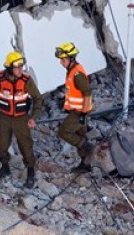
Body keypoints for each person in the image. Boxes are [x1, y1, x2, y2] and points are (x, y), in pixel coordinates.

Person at [0, 52, 43, 187]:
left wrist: (34, 117)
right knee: (1, 144)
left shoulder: (26, 81)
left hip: (21, 118)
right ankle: (5, 167)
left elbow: (38, 99)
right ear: (9, 68)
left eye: (22, 66)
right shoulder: (0, 78)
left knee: (25, 145)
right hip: (4, 117)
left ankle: (30, 172)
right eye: (17, 67)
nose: (20, 70)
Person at [55, 42, 94, 173]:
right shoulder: (71, 71)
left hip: (79, 112)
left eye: (63, 60)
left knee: (64, 132)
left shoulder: (77, 74)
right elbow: (74, 92)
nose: (61, 63)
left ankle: (87, 147)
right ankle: (85, 164)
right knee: (80, 134)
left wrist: (83, 114)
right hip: (77, 110)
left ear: (71, 59)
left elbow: (87, 93)